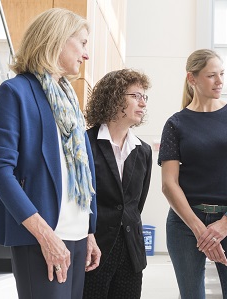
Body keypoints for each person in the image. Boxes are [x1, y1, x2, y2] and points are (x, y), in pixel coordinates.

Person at [0, 8, 100, 299]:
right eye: (82, 43)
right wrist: (44, 234)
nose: (86, 54)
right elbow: (0, 171)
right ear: (56, 40)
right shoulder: (16, 92)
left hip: (76, 232)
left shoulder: (70, 100)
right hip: (41, 234)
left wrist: (89, 231)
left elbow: (82, 170)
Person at [158, 49, 227, 299]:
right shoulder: (176, 123)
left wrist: (226, 222)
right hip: (185, 224)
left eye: (222, 74)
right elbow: (169, 184)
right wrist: (199, 229)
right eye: (211, 75)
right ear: (192, 78)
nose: (220, 82)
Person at [82, 69, 152, 298]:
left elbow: (135, 206)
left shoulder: (144, 151)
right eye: (136, 96)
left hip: (131, 252)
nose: (143, 103)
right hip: (93, 248)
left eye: (145, 97)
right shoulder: (85, 144)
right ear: (114, 97)